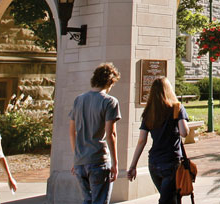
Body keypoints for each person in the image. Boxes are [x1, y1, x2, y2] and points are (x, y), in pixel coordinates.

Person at [126, 77, 190, 204]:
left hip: (154, 163)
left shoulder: (149, 112)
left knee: (172, 198)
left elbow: (141, 141)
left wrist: (133, 165)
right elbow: (184, 133)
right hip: (171, 162)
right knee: (168, 200)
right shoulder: (177, 108)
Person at [70, 62, 122, 204]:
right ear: (110, 81)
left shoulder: (79, 100)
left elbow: (72, 131)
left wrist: (76, 157)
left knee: (88, 200)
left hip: (81, 160)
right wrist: (115, 163)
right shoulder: (110, 102)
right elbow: (111, 134)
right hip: (98, 159)